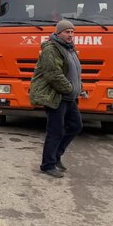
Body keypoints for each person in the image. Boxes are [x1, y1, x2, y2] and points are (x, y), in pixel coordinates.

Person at [29, 20, 85, 178]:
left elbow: (74, 72)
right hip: (56, 96)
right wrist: (70, 88)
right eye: (67, 32)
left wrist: (80, 88)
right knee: (56, 130)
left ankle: (56, 156)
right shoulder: (51, 49)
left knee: (76, 125)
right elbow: (53, 74)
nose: (70, 35)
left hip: (69, 97)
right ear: (59, 33)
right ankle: (48, 164)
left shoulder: (70, 49)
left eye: (72, 32)